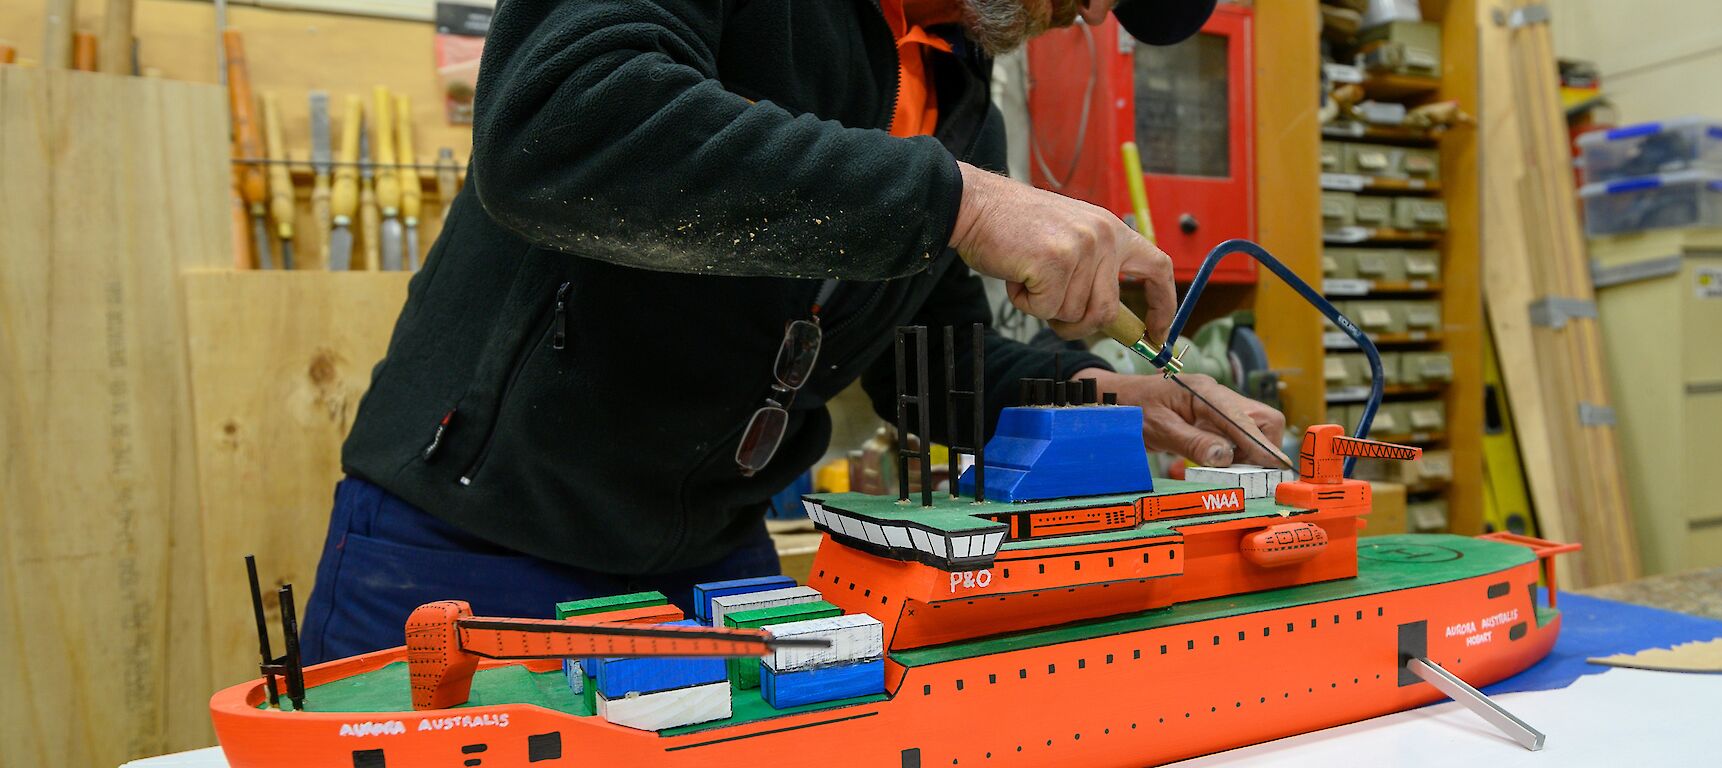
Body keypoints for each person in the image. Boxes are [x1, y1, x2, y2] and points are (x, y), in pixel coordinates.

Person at [300, 0, 1286, 662]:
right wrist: (963, 205)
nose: (1089, 11)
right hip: (476, 543)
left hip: (717, 563)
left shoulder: (949, 87)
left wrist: (1118, 399)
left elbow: (925, 369)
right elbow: (562, 121)